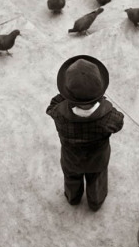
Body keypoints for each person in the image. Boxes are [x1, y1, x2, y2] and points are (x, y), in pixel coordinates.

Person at [47, 55, 124, 211]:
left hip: (71, 159)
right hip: (97, 160)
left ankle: (72, 198)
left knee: (71, 178)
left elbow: (51, 106)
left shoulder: (58, 114)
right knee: (96, 181)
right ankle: (95, 203)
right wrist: (104, 103)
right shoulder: (109, 117)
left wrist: (67, 94)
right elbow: (119, 123)